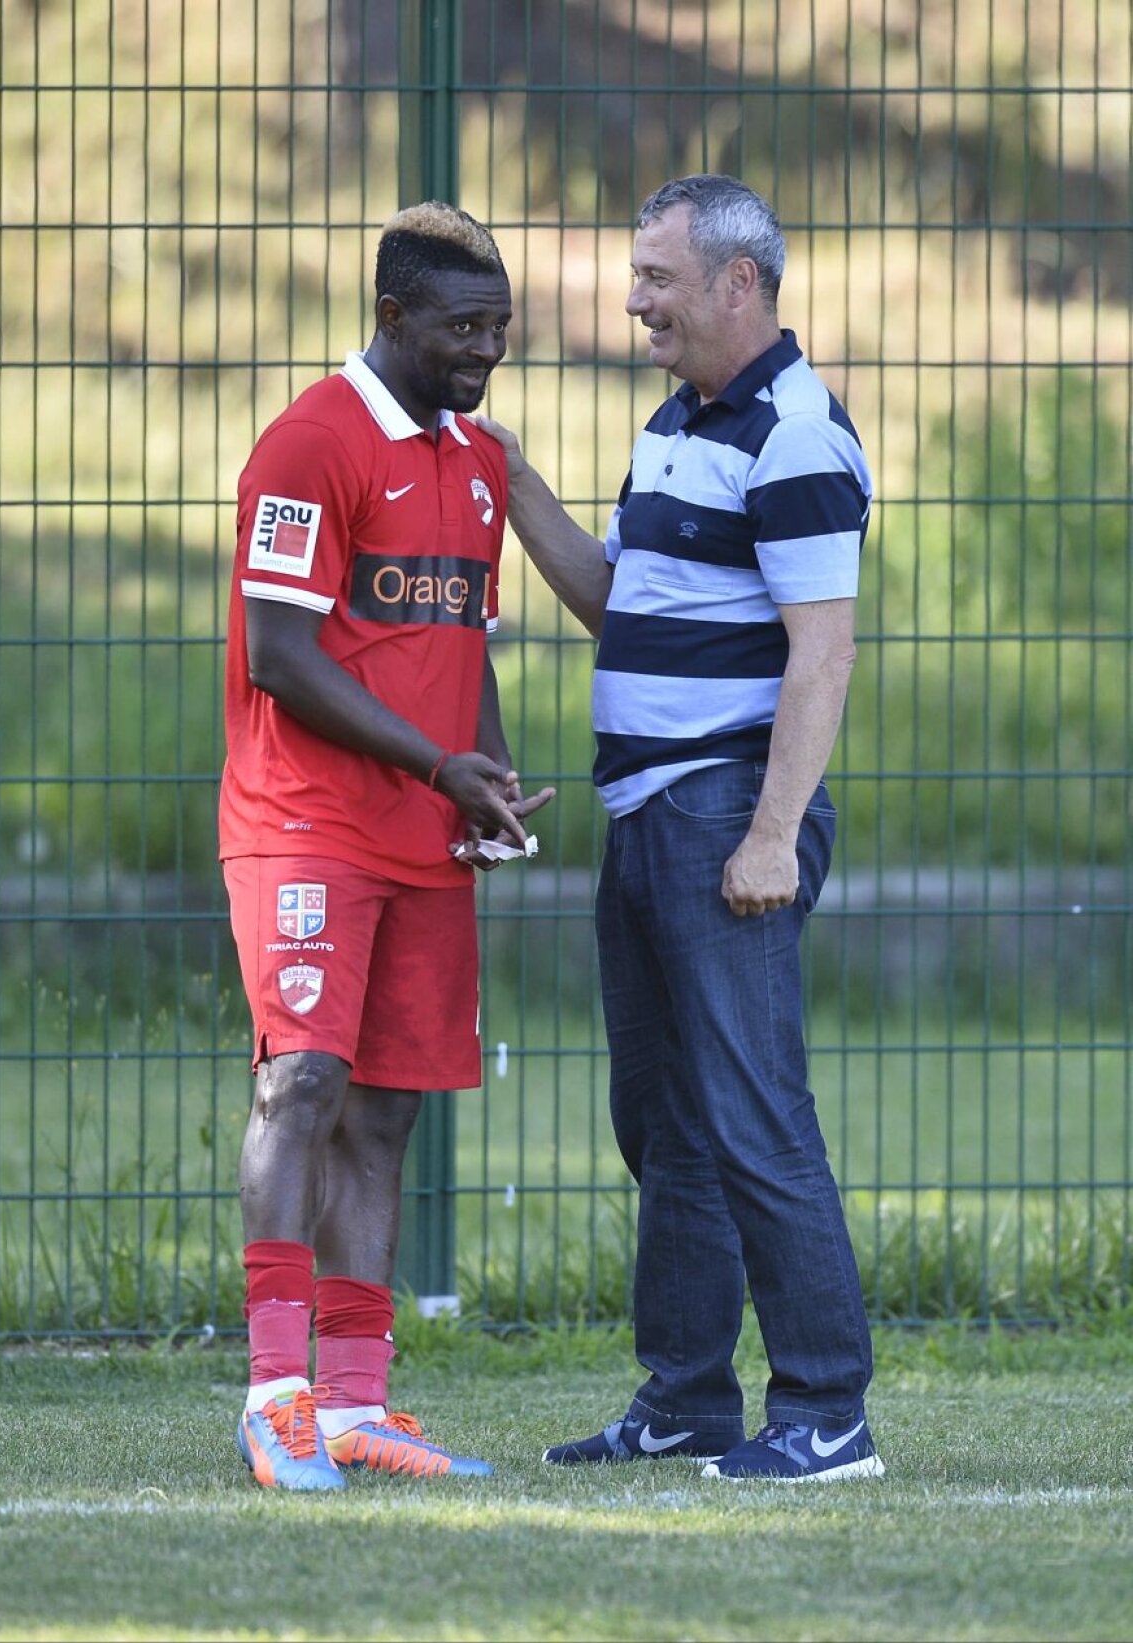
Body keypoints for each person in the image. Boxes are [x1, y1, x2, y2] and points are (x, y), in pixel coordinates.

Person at [477, 174, 882, 1482]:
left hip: (724, 818)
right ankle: (689, 1401)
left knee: (756, 1116)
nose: (633, 298)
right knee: (663, 1122)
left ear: (737, 284)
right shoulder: (673, 428)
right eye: (635, 273)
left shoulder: (799, 435)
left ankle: (827, 1412)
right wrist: (510, 476)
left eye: (657, 276)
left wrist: (769, 837)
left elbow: (823, 656)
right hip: (647, 816)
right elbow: (622, 604)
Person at [219, 201, 554, 1492]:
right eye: (465, 328)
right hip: (304, 826)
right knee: (299, 1085)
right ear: (393, 317)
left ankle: (360, 1403)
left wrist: (487, 781)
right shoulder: (310, 443)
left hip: (427, 837)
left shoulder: (476, 461)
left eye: (502, 329)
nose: (486, 351)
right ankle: (277, 1394)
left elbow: (461, 641)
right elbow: (281, 654)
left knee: (388, 1118)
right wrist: (434, 764)